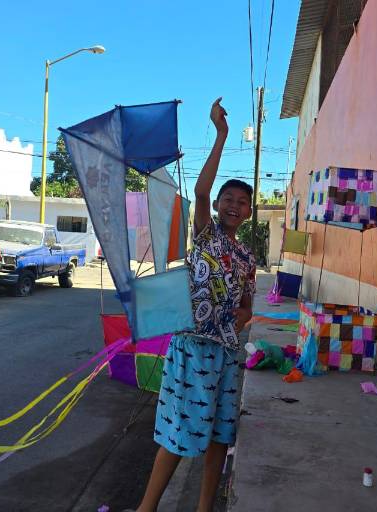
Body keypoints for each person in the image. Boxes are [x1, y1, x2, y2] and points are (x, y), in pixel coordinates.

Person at [133, 98, 256, 512]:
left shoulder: (247, 257)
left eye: (242, 202)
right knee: (178, 432)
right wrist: (221, 135)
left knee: (220, 435)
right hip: (191, 349)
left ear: (250, 213)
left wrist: (240, 318)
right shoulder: (205, 236)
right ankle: (147, 506)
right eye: (229, 200)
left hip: (225, 354)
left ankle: (205, 508)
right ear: (219, 206)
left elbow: (247, 304)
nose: (234, 206)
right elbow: (201, 190)